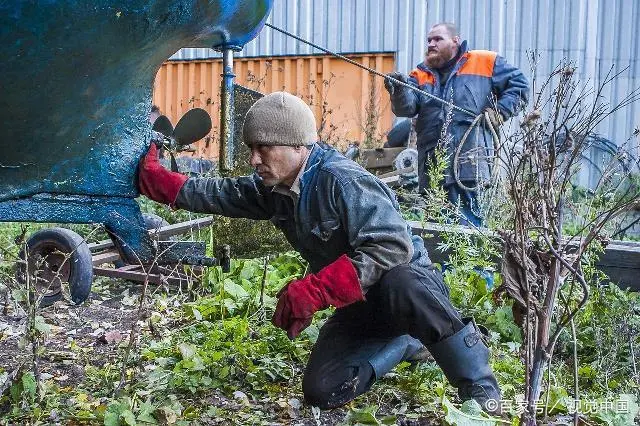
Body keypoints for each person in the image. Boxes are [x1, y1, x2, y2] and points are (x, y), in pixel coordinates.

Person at [137, 91, 502, 414]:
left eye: (263, 147)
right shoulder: (277, 186)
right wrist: (165, 183)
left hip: (408, 292)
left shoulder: (341, 180)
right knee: (322, 390)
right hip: (359, 303)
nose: (253, 159)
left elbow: (393, 247)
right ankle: (407, 342)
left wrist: (316, 290)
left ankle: (479, 384)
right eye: (251, 149)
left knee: (401, 281)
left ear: (298, 145)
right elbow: (223, 193)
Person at [385, 22, 529, 226]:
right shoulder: (419, 74)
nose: (431, 44)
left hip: (469, 165)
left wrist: (500, 112)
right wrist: (398, 91)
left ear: (455, 41)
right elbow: (406, 109)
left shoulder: (485, 61)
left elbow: (520, 87)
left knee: (468, 229)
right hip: (432, 168)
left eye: (437, 39)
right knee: (435, 231)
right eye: (429, 40)